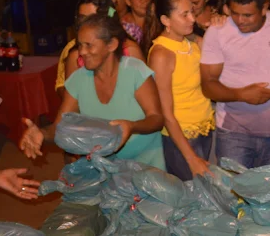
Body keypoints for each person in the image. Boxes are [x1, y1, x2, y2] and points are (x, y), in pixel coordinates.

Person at [21, 12, 166, 169]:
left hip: (145, 164)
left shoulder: (135, 71)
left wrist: (132, 126)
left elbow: (156, 119)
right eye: (80, 45)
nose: (82, 51)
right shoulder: (78, 80)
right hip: (104, 167)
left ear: (112, 45)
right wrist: (42, 133)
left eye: (89, 45)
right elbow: (60, 127)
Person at [200, 0, 270, 168]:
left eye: (248, 15)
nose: (240, 20)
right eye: (234, 13)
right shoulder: (218, 31)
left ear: (264, 8)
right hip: (233, 134)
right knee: (235, 186)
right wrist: (241, 95)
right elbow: (208, 85)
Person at [146, 0, 215, 180]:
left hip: (204, 129)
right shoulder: (161, 54)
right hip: (181, 138)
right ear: (165, 20)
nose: (192, 18)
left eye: (192, 12)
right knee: (192, 193)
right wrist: (191, 158)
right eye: (184, 14)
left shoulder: (191, 44)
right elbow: (166, 113)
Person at [55, 0, 145, 99]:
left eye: (92, 19)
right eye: (82, 19)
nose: (86, 24)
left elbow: (146, 96)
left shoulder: (130, 50)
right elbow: (71, 101)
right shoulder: (76, 55)